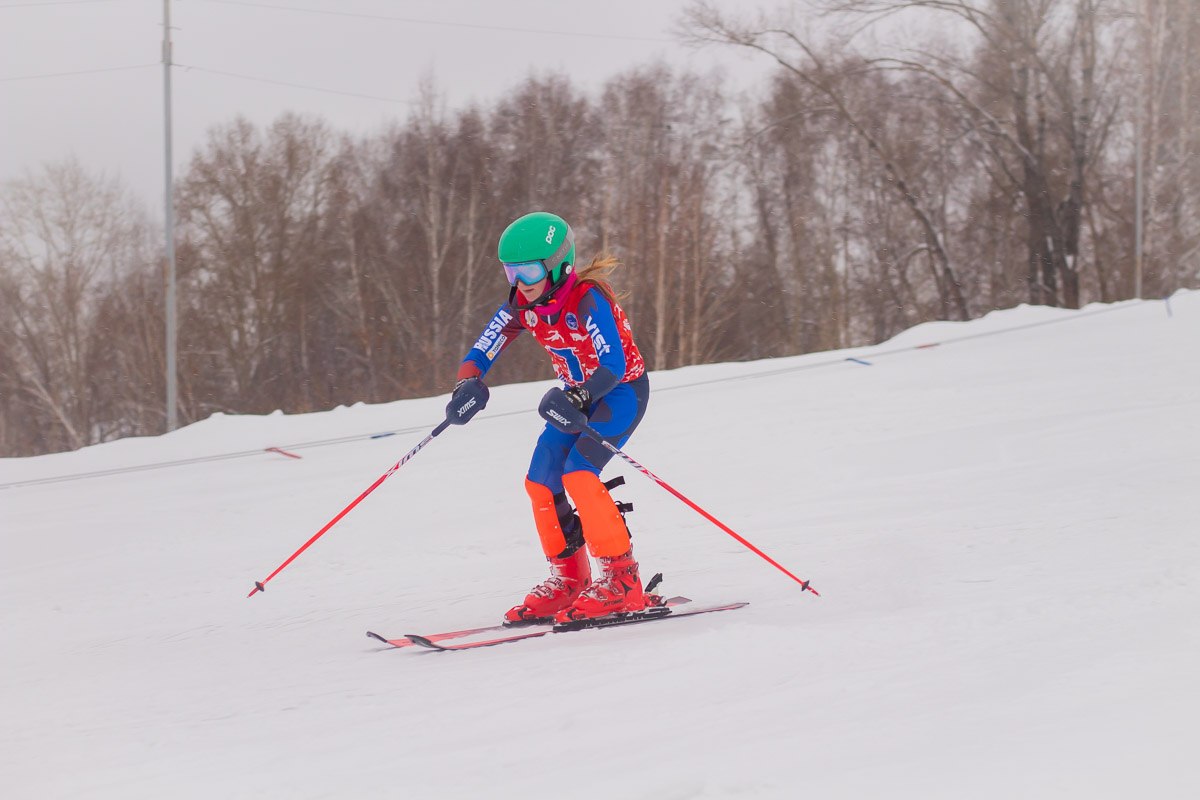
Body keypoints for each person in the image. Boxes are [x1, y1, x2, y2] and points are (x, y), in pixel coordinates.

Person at [446, 211, 652, 623]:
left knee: (579, 473)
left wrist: (580, 394)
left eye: (527, 271)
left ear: (559, 265)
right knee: (540, 480)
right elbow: (485, 346)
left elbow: (611, 362)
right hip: (574, 400)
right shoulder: (524, 304)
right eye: (510, 272)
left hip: (618, 393)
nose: (519, 284)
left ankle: (621, 581)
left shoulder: (588, 297)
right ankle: (569, 580)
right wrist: (468, 382)